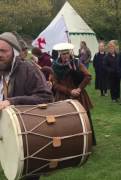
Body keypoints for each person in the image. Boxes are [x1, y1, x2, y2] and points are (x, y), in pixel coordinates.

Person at [0, 32, 53, 180]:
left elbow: (46, 97)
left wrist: (12, 101)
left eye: (3, 51)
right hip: (4, 133)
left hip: (27, 136)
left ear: (15, 52)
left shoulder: (29, 69)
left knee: (26, 175)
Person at [51, 43, 96, 146]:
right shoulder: (55, 66)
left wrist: (79, 88)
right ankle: (69, 144)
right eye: (63, 54)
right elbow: (55, 85)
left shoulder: (77, 63)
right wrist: (69, 91)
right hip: (63, 97)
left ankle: (87, 143)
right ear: (59, 55)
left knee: (84, 121)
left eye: (67, 53)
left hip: (79, 96)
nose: (65, 56)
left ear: (70, 53)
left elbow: (88, 76)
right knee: (64, 122)